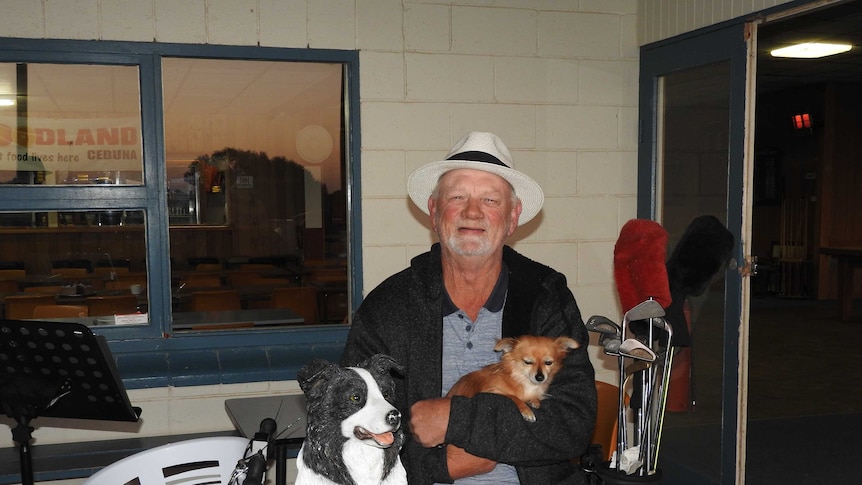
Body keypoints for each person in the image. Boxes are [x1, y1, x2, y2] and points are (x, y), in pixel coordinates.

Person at [340, 131, 597, 485]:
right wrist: (439, 467)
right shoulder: (388, 307)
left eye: (490, 200)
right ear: (434, 211)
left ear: (512, 217)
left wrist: (455, 419)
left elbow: (572, 424)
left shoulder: (546, 297)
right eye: (458, 196)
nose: (473, 212)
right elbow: (353, 432)